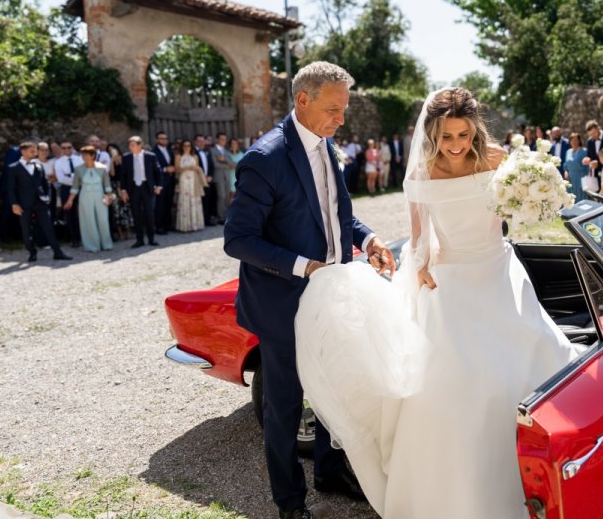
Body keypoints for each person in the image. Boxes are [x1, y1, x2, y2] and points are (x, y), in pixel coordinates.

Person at [294, 87, 577, 519]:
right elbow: (420, 234)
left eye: (463, 134)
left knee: (533, 362)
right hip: (452, 285)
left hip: (499, 274)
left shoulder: (498, 159)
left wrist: (537, 198)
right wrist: (421, 265)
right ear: (433, 134)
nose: (457, 144)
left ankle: (555, 470)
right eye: (447, 136)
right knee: (465, 384)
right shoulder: (423, 173)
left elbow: (523, 205)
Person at [224, 61, 395, 519]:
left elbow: (335, 213)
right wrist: (306, 267)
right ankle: (290, 502)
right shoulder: (265, 158)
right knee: (283, 407)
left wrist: (368, 238)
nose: (342, 118)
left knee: (334, 387)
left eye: (344, 109)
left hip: (332, 296)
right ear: (303, 100)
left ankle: (330, 468)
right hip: (283, 303)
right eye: (334, 109)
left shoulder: (325, 144)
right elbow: (237, 239)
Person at [6, 141, 71, 262]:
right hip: (23, 203)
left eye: (35, 150)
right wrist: (14, 204)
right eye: (32, 150)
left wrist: (47, 197)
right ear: (23, 151)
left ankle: (57, 252)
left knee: (49, 227)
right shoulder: (13, 168)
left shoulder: (38, 166)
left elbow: (45, 183)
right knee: (26, 229)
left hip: (41, 202)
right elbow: (11, 188)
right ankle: (32, 252)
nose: (35, 152)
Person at [63, 146, 114, 253]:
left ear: (93, 156)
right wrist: (70, 200)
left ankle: (106, 244)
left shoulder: (102, 168)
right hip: (85, 196)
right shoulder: (78, 169)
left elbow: (107, 185)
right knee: (88, 220)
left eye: (86, 154)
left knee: (103, 220)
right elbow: (75, 187)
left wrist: (109, 196)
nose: (84, 157)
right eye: (82, 154)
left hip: (100, 195)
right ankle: (92, 246)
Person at [119, 136, 162, 248]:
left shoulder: (150, 156)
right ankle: (139, 239)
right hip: (133, 188)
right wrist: (123, 190)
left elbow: (158, 172)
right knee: (136, 214)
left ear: (140, 145)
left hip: (147, 188)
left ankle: (151, 238)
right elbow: (123, 175)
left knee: (149, 214)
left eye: (133, 145)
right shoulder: (126, 157)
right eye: (130, 145)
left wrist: (158, 186)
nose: (130, 147)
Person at [54, 141, 84, 247]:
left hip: (81, 188)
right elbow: (61, 178)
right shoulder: (58, 162)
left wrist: (70, 176)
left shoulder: (79, 159)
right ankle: (74, 239)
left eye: (69, 147)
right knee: (70, 214)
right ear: (61, 149)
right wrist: (74, 177)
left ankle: (83, 237)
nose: (66, 149)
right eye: (64, 148)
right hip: (66, 189)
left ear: (72, 148)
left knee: (82, 213)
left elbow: (82, 173)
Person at [174, 140, 206, 232]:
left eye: (189, 145)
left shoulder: (195, 156)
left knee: (195, 199)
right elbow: (177, 169)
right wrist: (188, 168)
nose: (187, 147)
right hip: (184, 179)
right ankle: (185, 226)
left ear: (191, 146)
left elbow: (197, 168)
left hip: (194, 179)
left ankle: (196, 225)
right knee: (185, 199)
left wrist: (197, 169)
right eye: (185, 145)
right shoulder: (178, 156)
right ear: (182, 146)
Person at [107, 143, 133, 242]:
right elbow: (112, 174)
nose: (111, 151)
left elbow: (125, 173)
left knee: (126, 208)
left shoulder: (124, 158)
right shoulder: (110, 160)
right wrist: (112, 162)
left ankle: (129, 231)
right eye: (109, 150)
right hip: (114, 186)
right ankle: (120, 233)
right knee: (116, 209)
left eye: (113, 148)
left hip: (123, 185)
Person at [153, 131, 176, 234]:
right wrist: (165, 169)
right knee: (159, 204)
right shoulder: (153, 152)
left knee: (169, 203)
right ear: (157, 140)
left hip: (170, 181)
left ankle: (168, 225)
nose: (163, 140)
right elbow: (152, 168)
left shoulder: (170, 151)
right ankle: (159, 226)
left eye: (165, 138)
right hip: (160, 181)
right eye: (161, 138)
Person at [194, 134, 215, 225]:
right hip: (197, 181)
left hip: (208, 180)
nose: (202, 143)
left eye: (203, 141)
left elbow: (211, 165)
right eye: (199, 141)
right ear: (195, 142)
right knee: (199, 201)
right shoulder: (193, 152)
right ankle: (199, 221)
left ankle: (206, 219)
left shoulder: (207, 151)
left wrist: (210, 175)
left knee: (207, 200)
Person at [563, 132, 590, 202]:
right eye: (572, 140)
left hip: (580, 178)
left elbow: (587, 167)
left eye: (576, 140)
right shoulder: (568, 151)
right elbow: (565, 165)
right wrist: (566, 171)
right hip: (570, 179)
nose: (574, 142)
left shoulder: (584, 151)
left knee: (581, 198)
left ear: (579, 141)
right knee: (571, 199)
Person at [211, 132, 231, 223]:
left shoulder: (226, 151)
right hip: (218, 177)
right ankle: (221, 217)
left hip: (227, 177)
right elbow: (215, 164)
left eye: (225, 139)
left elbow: (233, 164)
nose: (223, 141)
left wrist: (224, 160)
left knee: (227, 196)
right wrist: (227, 165)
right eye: (221, 139)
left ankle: (226, 216)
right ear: (217, 139)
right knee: (221, 196)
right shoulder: (212, 150)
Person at [226, 138, 244, 204]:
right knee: (230, 195)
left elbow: (243, 166)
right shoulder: (227, 154)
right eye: (232, 143)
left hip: (239, 177)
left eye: (235, 143)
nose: (234, 145)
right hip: (230, 176)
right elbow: (227, 166)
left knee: (238, 195)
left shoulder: (242, 154)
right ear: (230, 145)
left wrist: (232, 166)